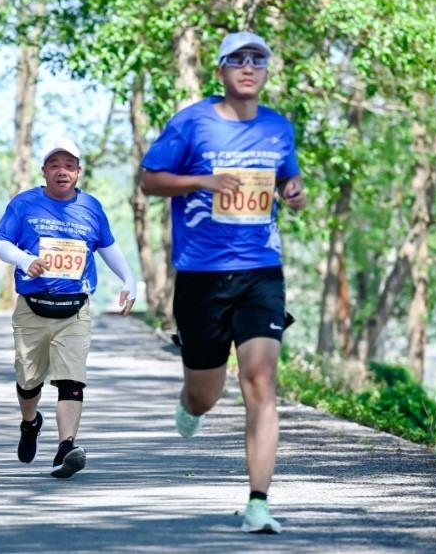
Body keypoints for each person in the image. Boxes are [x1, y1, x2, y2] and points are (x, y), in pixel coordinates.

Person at [140, 31, 306, 533]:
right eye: (237, 60)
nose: (248, 67)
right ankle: (191, 404)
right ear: (221, 72)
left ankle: (259, 502)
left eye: (258, 59)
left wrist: (292, 191)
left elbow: (286, 180)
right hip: (201, 276)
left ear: (267, 70)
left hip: (261, 272)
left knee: (260, 381)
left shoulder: (278, 128)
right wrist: (201, 181)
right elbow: (149, 180)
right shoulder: (192, 123)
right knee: (205, 395)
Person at [0, 138, 137, 478]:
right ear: (44, 171)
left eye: (69, 165)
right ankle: (30, 423)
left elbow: (108, 247)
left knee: (71, 381)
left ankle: (65, 447)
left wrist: (129, 278)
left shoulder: (91, 207)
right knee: (28, 383)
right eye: (55, 164)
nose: (62, 171)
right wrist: (24, 259)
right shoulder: (25, 203)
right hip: (32, 307)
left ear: (78, 171)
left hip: (75, 309)